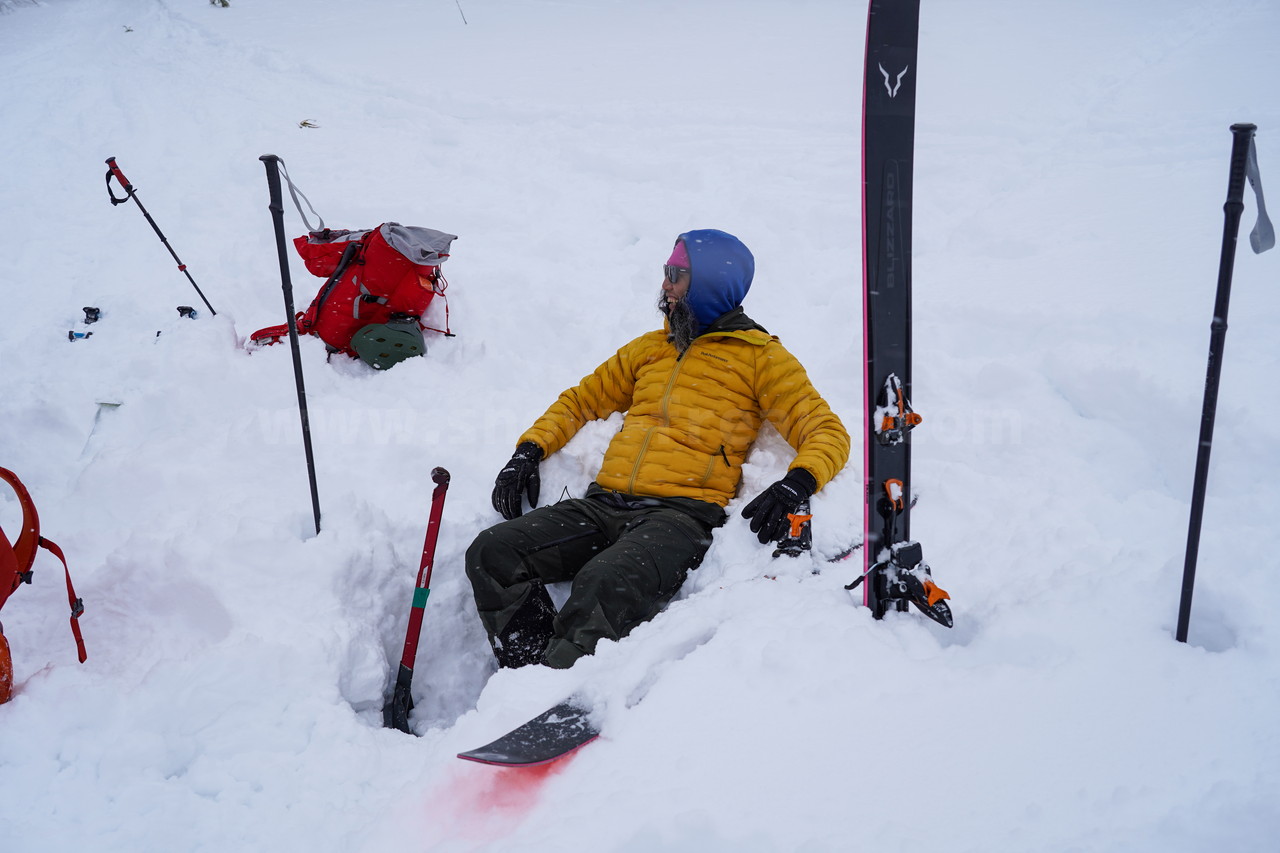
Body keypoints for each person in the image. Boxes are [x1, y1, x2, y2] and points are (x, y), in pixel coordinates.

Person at [465, 229, 850, 670]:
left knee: (601, 583)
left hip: (679, 519)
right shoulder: (651, 348)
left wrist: (796, 484)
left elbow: (825, 431)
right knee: (493, 551)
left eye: (676, 274)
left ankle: (551, 691)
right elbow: (581, 400)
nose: (664, 284)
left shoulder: (761, 357)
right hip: (603, 505)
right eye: (666, 272)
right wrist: (528, 451)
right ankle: (529, 675)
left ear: (710, 285)